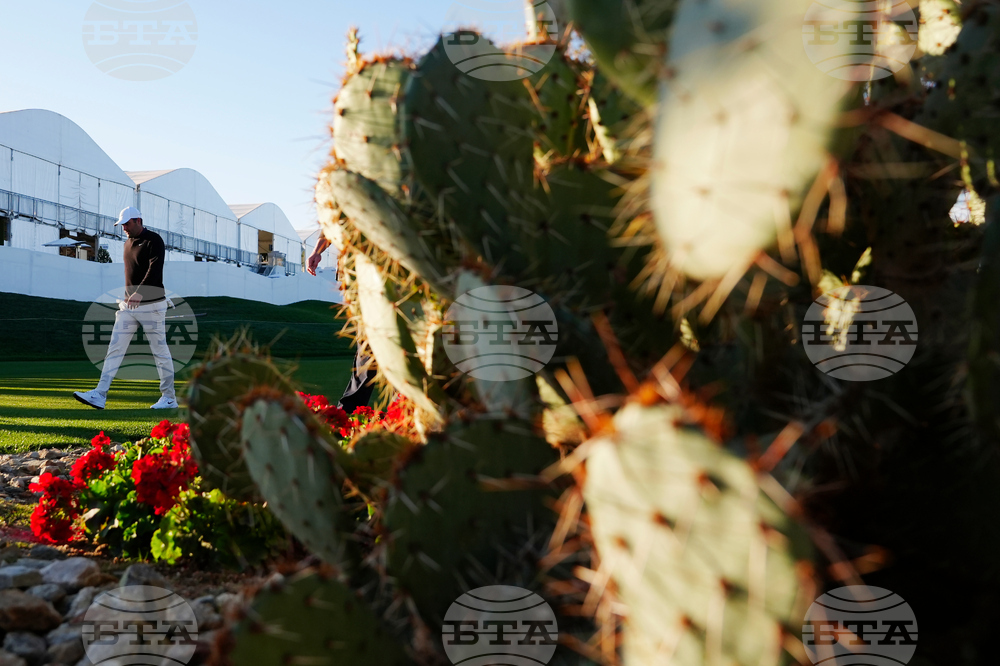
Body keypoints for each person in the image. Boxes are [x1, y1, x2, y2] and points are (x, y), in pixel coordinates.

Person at [73, 206, 178, 410]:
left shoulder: (154, 240)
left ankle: (169, 398)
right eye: (122, 225)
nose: (124, 228)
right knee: (115, 348)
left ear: (138, 220)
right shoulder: (127, 243)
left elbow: (154, 269)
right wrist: (129, 296)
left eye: (127, 224)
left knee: (160, 353)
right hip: (128, 306)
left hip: (153, 305)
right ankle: (100, 395)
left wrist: (140, 292)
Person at [306, 233, 378, 412]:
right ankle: (348, 412)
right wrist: (317, 251)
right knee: (367, 345)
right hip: (355, 276)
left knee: (375, 344)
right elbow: (330, 223)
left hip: (383, 272)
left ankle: (348, 411)